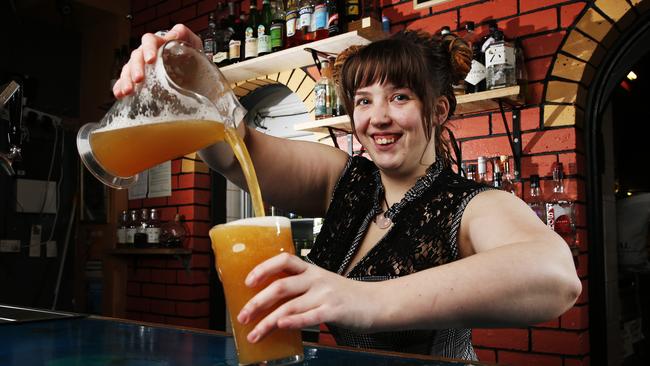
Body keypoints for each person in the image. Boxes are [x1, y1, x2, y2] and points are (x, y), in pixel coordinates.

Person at [114, 24, 581, 360]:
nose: (377, 118)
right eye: (363, 100)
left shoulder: (471, 205)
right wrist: (194, 79)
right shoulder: (346, 180)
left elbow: (555, 277)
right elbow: (236, 152)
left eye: (400, 97)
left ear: (438, 111)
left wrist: (358, 297)